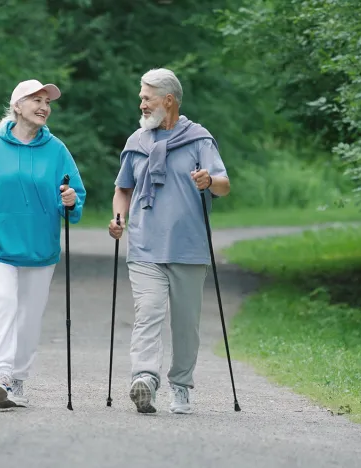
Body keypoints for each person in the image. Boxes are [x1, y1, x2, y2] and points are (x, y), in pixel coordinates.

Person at [0, 79, 87, 410]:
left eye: (48, 101)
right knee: (2, 302)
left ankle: (17, 381)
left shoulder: (57, 150)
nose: (44, 106)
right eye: (36, 100)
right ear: (17, 106)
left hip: (40, 249)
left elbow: (74, 197)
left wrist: (70, 201)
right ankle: (0, 376)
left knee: (28, 317)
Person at [108, 68, 230, 415]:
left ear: (168, 100)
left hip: (188, 247)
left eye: (147, 98)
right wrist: (119, 218)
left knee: (185, 325)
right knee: (147, 313)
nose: (141, 104)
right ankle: (145, 378)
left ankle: (181, 385)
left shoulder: (199, 140)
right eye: (141, 98)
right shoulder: (137, 142)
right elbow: (123, 189)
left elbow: (224, 184)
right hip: (145, 245)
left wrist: (209, 181)